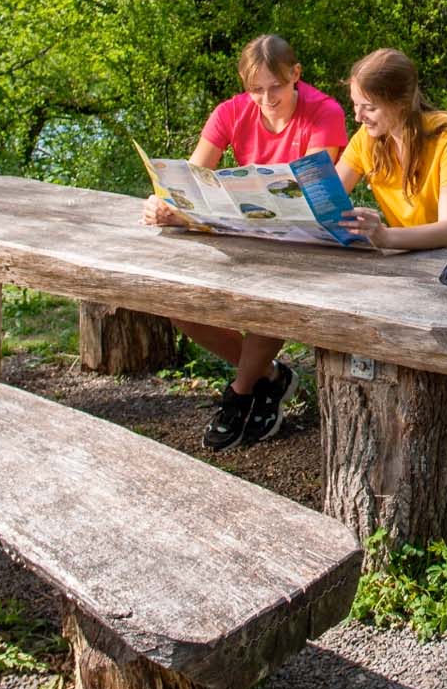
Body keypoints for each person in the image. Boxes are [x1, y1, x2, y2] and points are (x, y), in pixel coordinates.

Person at [140, 34, 348, 451]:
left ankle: (238, 394)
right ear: (243, 83)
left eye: (276, 87)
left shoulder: (324, 112)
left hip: (305, 241)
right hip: (245, 233)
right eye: (256, 89)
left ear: (296, 75)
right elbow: (192, 178)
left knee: (269, 301)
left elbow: (317, 189)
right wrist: (168, 205)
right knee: (176, 305)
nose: (267, 98)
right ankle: (269, 378)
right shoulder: (230, 113)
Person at [335, 48, 447, 249]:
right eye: (355, 105)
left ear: (401, 103)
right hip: (414, 255)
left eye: (370, 108)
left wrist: (385, 236)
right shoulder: (366, 138)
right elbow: (329, 197)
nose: (358, 117)